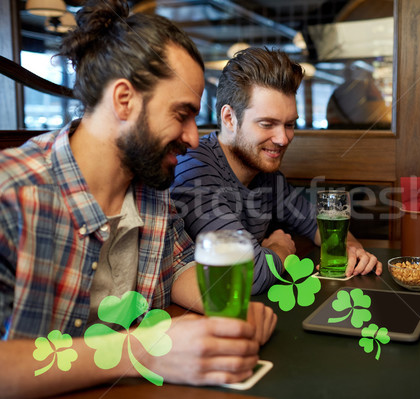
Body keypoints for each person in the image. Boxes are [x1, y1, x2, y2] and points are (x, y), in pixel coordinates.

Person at [0, 1, 276, 397]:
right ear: (124, 99)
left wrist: (224, 309)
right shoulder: (12, 193)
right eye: (182, 114)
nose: (194, 138)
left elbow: (178, 265)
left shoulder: (151, 188)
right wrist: (142, 352)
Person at [171, 47, 382, 294]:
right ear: (229, 118)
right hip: (190, 321)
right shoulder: (193, 169)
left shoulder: (265, 174)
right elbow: (247, 275)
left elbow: (316, 224)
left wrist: (352, 249)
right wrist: (281, 248)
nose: (283, 138)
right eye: (267, 124)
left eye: (289, 124)